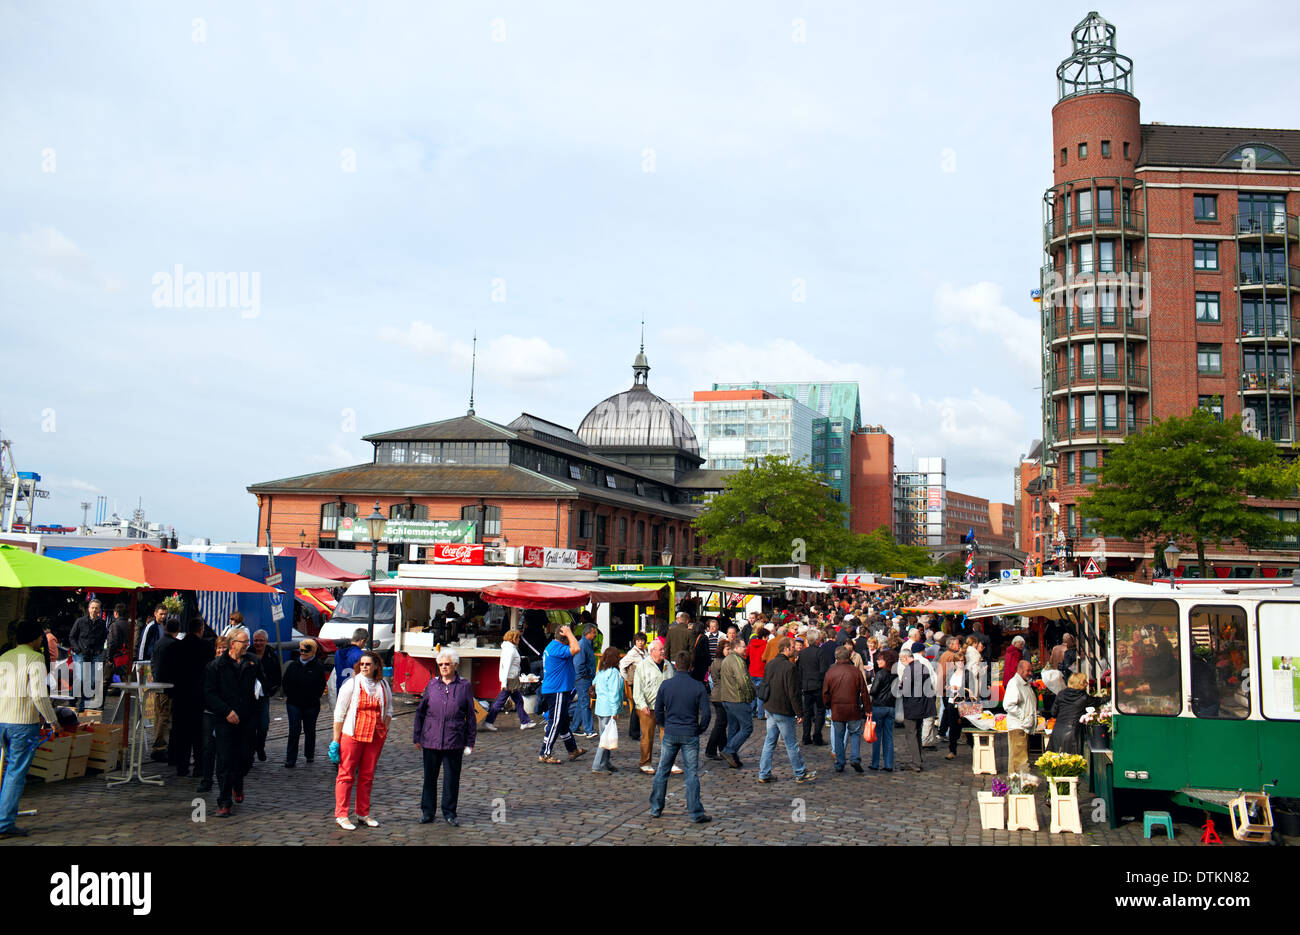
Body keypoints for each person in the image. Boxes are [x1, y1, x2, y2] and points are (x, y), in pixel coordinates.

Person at [0, 620, 58, 838]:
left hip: (2, 721)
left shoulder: (4, 657)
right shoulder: (35, 659)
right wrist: (53, 720)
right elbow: (39, 695)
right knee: (15, 773)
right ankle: (4, 823)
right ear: (35, 639)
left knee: (6, 771)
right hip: (23, 724)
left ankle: (4, 818)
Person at [413, 647, 476, 825]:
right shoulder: (432, 684)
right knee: (429, 778)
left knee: (451, 779)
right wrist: (417, 736)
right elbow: (420, 712)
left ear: (455, 665)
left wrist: (470, 741)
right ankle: (427, 812)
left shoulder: (464, 686)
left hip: (454, 739)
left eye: (447, 664)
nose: (443, 667)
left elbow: (471, 715)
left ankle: (449, 812)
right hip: (431, 738)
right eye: (440, 664)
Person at [332, 651, 392, 830]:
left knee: (367, 775)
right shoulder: (351, 684)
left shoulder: (382, 685)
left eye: (368, 664)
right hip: (353, 735)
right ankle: (341, 814)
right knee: (346, 774)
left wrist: (384, 729)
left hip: (374, 736)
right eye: (362, 664)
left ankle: (362, 813)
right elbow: (339, 713)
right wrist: (336, 740)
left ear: (376, 666)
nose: (365, 667)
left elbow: (389, 709)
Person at [649, 651, 711, 823]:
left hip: (671, 731)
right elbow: (706, 714)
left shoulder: (666, 685)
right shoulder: (698, 686)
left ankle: (656, 808)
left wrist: (664, 725)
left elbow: (658, 709)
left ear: (676, 666)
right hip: (690, 732)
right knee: (691, 774)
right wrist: (700, 729)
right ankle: (695, 813)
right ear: (691, 666)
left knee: (662, 771)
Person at [203, 626, 258, 818]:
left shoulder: (252, 662)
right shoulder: (215, 666)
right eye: (244, 643)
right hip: (224, 720)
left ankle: (238, 782)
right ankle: (224, 802)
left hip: (247, 719)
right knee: (224, 761)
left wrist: (262, 690)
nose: (247, 646)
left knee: (246, 759)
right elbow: (209, 693)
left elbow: (266, 682)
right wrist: (226, 711)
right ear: (233, 644)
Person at [757, 637, 815, 784]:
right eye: (792, 647)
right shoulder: (789, 667)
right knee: (791, 743)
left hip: (770, 707)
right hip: (782, 710)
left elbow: (766, 684)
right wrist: (799, 713)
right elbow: (793, 692)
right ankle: (800, 772)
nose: (795, 649)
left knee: (770, 741)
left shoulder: (770, 664)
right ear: (786, 649)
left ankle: (764, 773)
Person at [168, 617, 211, 777]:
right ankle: (199, 767)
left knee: (181, 734)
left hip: (180, 697)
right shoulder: (206, 646)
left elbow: (169, 672)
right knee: (198, 735)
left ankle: (182, 766)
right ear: (200, 629)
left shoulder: (176, 647)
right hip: (199, 697)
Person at [537, 624, 586, 765]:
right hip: (556, 690)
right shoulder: (557, 648)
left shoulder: (553, 647)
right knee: (556, 721)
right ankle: (545, 752)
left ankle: (573, 749)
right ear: (565, 638)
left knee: (563, 722)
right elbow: (576, 648)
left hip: (556, 689)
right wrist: (569, 633)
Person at [823, 645, 871, 773]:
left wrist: (828, 706)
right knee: (855, 733)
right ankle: (855, 758)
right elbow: (864, 692)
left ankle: (840, 762)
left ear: (836, 657)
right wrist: (867, 709)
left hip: (837, 708)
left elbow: (825, 693)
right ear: (849, 656)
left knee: (839, 736)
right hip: (853, 708)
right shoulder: (855, 671)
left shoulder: (831, 672)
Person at [633, 640, 677, 774]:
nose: (663, 651)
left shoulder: (668, 665)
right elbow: (638, 688)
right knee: (647, 736)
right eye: (660, 649)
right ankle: (645, 763)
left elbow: (673, 684)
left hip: (665, 707)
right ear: (652, 651)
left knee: (669, 737)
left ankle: (670, 763)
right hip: (648, 707)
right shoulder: (643, 666)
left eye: (663, 649)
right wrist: (642, 705)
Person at [282, 638, 328, 767]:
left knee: (310, 730)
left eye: (306, 651)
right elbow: (285, 682)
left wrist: (314, 697)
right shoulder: (293, 665)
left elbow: (321, 685)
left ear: (312, 652)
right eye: (301, 650)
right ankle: (291, 759)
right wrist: (289, 695)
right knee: (294, 730)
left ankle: (309, 754)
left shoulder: (318, 666)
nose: (303, 653)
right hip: (294, 703)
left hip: (311, 704)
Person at [482, 630, 535, 731]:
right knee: (504, 701)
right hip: (510, 679)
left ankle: (525, 721)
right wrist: (504, 682)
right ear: (514, 638)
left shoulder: (509, 649)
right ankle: (489, 721)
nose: (519, 640)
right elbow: (506, 667)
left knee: (516, 700)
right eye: (518, 638)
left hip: (511, 679)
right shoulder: (510, 650)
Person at [716, 637, 754, 768]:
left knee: (734, 727)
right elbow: (743, 680)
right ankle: (729, 750)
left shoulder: (728, 659)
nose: (745, 649)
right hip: (737, 699)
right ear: (736, 648)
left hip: (727, 699)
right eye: (743, 647)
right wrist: (751, 695)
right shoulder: (737, 661)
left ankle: (733, 756)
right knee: (747, 727)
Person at [150, 616, 182, 762]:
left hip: (158, 684)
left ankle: (159, 746)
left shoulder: (159, 642)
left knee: (159, 716)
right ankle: (159, 747)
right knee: (164, 717)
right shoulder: (173, 644)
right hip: (167, 686)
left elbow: (153, 663)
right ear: (178, 630)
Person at [68, 598, 107, 713]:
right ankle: (73, 697)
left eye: (96, 608)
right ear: (88, 609)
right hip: (80, 653)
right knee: (81, 678)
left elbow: (104, 637)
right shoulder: (80, 621)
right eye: (92, 607)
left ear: (99, 610)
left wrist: (99, 649)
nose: (94, 610)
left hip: (94, 654)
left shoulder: (101, 623)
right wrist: (77, 649)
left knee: (92, 680)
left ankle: (84, 703)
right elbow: (72, 636)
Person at [897, 649, 932, 772]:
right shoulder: (923, 667)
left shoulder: (909, 669)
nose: (902, 663)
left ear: (906, 658)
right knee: (917, 732)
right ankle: (918, 759)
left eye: (901, 660)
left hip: (912, 706)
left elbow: (905, 689)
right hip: (922, 705)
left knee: (911, 734)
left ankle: (916, 762)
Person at [250, 629, 282, 761]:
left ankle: (260, 746)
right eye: (256, 640)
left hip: (264, 696)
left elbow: (277, 675)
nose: (258, 643)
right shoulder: (248, 654)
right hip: (249, 697)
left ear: (266, 641)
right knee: (250, 726)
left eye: (261, 640)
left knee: (263, 725)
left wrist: (271, 689)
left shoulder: (271, 655)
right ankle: (250, 752)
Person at [591, 647, 623, 774]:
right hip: (608, 709)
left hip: (600, 707)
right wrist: (614, 711)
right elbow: (613, 693)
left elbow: (595, 683)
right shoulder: (613, 672)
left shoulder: (602, 671)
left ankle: (606, 762)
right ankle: (597, 765)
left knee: (606, 736)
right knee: (604, 739)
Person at [936, 637, 970, 760]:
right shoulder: (951, 672)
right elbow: (946, 683)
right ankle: (952, 750)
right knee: (953, 727)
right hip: (951, 702)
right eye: (958, 661)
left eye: (962, 661)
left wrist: (959, 689)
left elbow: (970, 689)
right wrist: (947, 687)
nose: (960, 663)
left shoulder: (967, 674)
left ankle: (973, 746)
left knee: (966, 727)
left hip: (963, 703)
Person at [1003, 659, 1037, 776]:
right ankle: (1019, 788)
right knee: (1019, 761)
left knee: (1020, 760)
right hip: (1018, 727)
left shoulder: (1024, 683)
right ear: (1020, 670)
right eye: (1028, 670)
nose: (1030, 673)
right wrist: (1024, 716)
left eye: (1031, 671)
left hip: (1023, 727)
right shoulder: (1015, 683)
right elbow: (1008, 705)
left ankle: (1018, 787)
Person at [798, 628, 830, 746]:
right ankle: (817, 736)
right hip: (817, 685)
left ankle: (806, 736)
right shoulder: (820, 652)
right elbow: (823, 671)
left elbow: (800, 670)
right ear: (817, 640)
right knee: (820, 712)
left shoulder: (803, 653)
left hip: (806, 686)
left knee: (807, 712)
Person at [868, 649, 897, 771]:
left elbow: (873, 691)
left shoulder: (880, 674)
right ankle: (889, 764)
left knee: (876, 736)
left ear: (886, 661)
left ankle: (875, 763)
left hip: (879, 707)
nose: (878, 661)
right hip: (891, 707)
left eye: (880, 659)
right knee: (889, 736)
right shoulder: (895, 674)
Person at [1048, 672, 1090, 755]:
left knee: (1056, 762)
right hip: (1073, 733)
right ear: (1080, 684)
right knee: (1072, 763)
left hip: (1057, 732)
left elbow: (1053, 712)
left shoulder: (1061, 694)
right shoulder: (1083, 697)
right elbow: (1099, 701)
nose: (1087, 684)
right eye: (1085, 682)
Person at [703, 638, 730, 760]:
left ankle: (722, 749)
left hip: (718, 695)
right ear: (721, 649)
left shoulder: (718, 661)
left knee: (722, 723)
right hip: (720, 696)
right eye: (727, 649)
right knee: (720, 723)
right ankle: (711, 749)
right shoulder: (722, 662)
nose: (729, 651)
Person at [620, 632, 648, 741]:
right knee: (637, 706)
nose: (640, 643)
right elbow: (622, 664)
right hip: (636, 682)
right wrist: (627, 679)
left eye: (642, 641)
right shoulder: (633, 653)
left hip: (644, 682)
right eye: (638, 641)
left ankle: (636, 730)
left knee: (639, 706)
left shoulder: (645, 652)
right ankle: (634, 732)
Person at [571, 625, 598, 738]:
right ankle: (589, 730)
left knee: (582, 703)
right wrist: (586, 674)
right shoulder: (582, 644)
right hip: (583, 678)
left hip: (584, 677)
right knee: (585, 703)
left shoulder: (586, 644)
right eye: (594, 632)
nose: (595, 635)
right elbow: (578, 664)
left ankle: (574, 727)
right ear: (588, 633)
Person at [107, 603, 133, 683]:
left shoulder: (114, 625)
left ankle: (100, 695)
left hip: (117, 656)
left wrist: (109, 657)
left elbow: (112, 642)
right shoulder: (130, 625)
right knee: (125, 680)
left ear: (115, 613)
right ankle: (126, 695)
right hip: (126, 656)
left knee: (105, 680)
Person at [747, 626, 769, 718]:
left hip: (752, 671)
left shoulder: (751, 644)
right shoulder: (766, 645)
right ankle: (760, 714)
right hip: (761, 672)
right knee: (761, 694)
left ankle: (752, 712)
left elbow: (745, 655)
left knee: (753, 694)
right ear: (764, 637)